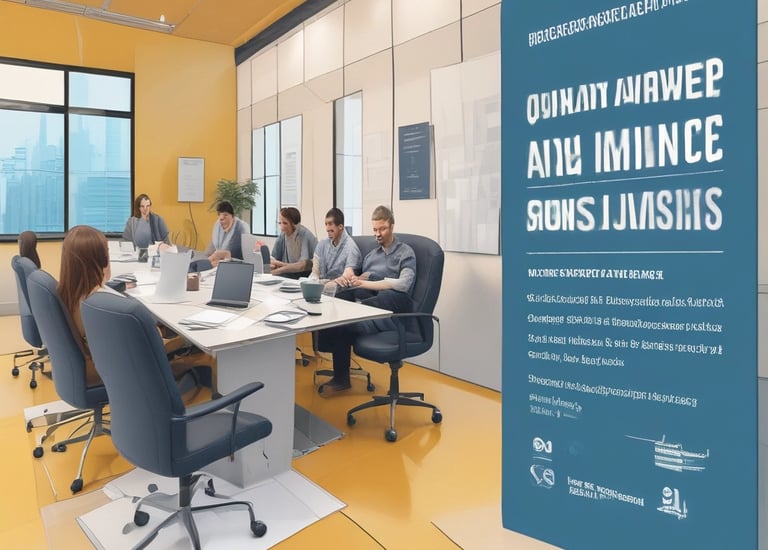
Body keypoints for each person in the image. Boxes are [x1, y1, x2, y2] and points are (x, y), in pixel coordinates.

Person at [58, 225, 215, 391]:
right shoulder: (102, 305)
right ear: (102, 260)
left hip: (99, 362)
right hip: (128, 369)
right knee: (196, 349)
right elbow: (146, 343)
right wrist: (177, 337)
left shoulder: (71, 294)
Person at [316, 205, 416, 395]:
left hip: (396, 304)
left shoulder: (405, 252)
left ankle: (357, 315)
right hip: (371, 300)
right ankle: (341, 379)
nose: (378, 234)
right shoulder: (371, 255)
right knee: (339, 301)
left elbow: (404, 284)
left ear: (392, 226)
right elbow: (362, 279)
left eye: (382, 229)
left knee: (387, 294)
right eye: (375, 229)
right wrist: (354, 279)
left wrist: (367, 283)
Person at [311, 207, 361, 284]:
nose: (327, 228)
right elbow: (315, 273)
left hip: (338, 289)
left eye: (330, 224)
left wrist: (325, 285)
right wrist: (314, 282)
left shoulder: (351, 248)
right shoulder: (322, 244)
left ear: (340, 226)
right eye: (326, 224)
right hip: (319, 286)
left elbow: (347, 279)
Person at [270, 207, 318, 278]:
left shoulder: (304, 235)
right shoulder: (282, 235)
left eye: (285, 223)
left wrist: (278, 270)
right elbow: (274, 258)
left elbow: (302, 266)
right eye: (280, 223)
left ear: (295, 224)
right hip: (288, 275)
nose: (282, 228)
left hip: (305, 276)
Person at [201, 200, 250, 267]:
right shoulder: (218, 226)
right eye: (219, 215)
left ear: (232, 216)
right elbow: (210, 252)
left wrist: (225, 255)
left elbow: (246, 254)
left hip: (236, 262)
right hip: (219, 260)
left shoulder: (241, 228)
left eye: (225, 215)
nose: (221, 218)